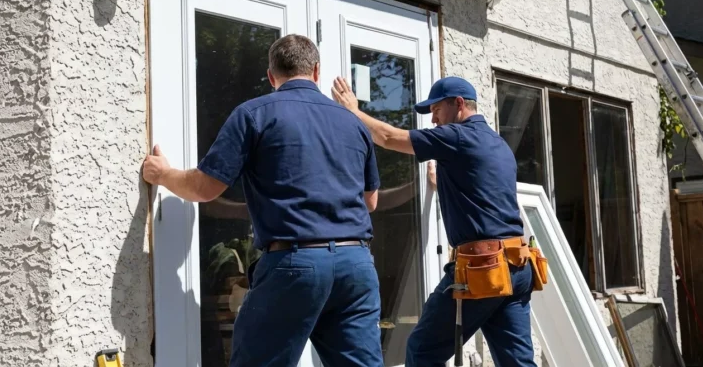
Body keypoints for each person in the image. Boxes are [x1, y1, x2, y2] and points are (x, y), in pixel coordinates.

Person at [143, 34, 384, 367]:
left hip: (295, 264)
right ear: (316, 71)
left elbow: (204, 189)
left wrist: (162, 174)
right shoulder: (353, 123)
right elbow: (369, 202)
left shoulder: (255, 114)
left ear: (272, 76)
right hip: (356, 265)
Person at [332, 75, 536, 367]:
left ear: (459, 104)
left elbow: (389, 138)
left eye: (437, 110)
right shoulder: (498, 144)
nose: (434, 120)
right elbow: (484, 195)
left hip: (483, 269)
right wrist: (442, 184)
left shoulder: (458, 136)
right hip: (517, 266)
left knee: (423, 350)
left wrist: (353, 111)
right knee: (518, 362)